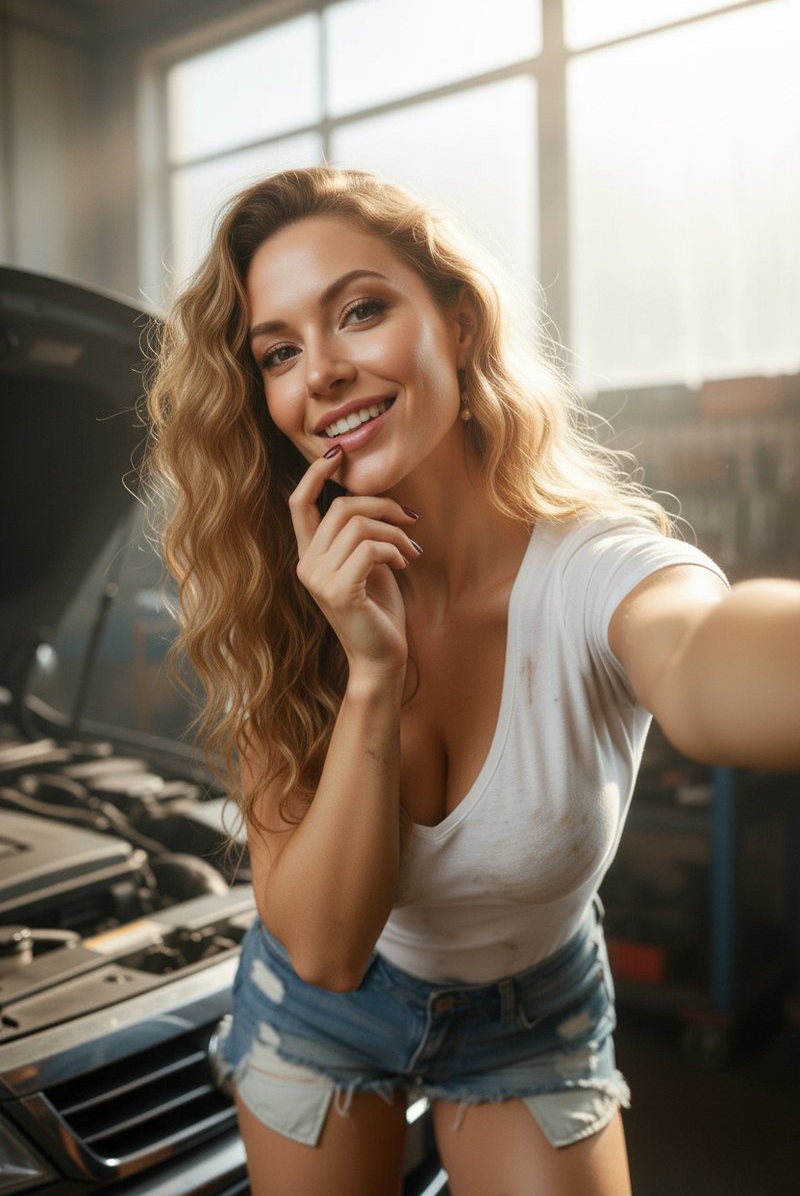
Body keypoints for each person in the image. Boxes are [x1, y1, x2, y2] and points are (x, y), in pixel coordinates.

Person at [145, 166, 800, 1196]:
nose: (318, 372)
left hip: (529, 1015)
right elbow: (320, 947)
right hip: (322, 1009)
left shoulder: (592, 569)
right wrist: (369, 670)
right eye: (279, 352)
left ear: (456, 323)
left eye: (359, 311)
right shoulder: (275, 602)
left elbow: (703, 653)